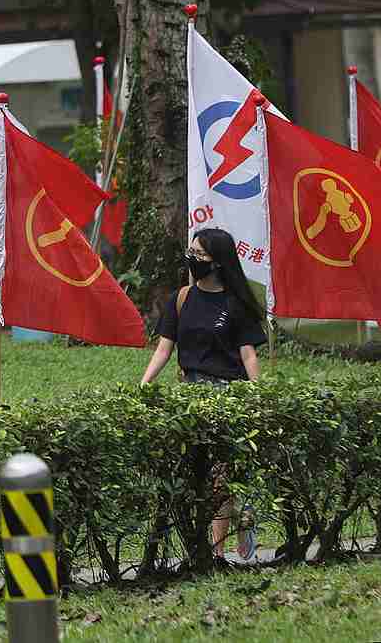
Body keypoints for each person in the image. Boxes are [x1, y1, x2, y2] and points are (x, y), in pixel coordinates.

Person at [140, 227, 267, 560]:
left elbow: (248, 355)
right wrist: (144, 385)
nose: (192, 260)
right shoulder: (182, 299)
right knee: (194, 475)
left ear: (218, 262)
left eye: (200, 255)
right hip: (189, 397)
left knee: (219, 480)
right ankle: (208, 541)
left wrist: (259, 397)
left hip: (227, 396)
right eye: (191, 252)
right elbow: (164, 350)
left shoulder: (235, 304)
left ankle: (218, 553)